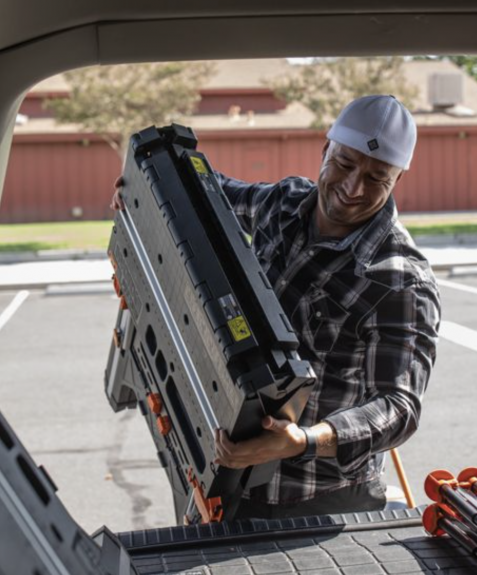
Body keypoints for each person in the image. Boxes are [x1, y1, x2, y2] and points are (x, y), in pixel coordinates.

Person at [111, 95, 440, 519]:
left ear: (396, 180)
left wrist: (305, 439)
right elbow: (208, 195)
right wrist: (137, 188)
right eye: (344, 164)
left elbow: (399, 407)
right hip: (224, 482)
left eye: (377, 178)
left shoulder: (398, 279)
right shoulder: (283, 203)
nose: (354, 187)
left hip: (320, 502)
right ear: (325, 151)